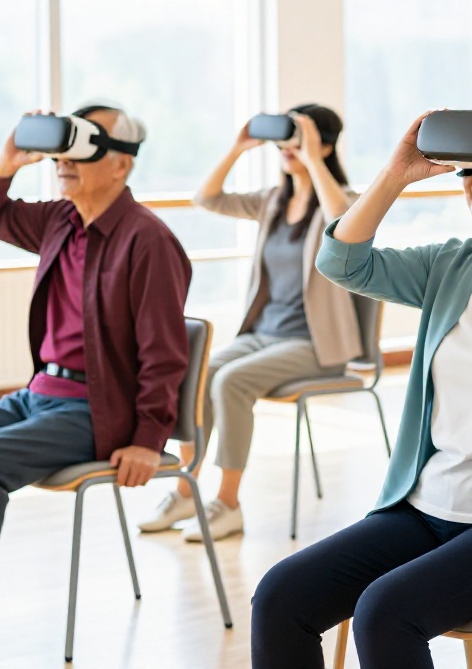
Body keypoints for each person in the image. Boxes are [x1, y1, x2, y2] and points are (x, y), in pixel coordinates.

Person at [251, 108, 472, 669]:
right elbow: (341, 260)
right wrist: (396, 172)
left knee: (383, 612)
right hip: (422, 508)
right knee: (280, 596)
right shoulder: (451, 266)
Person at [0, 106, 191, 659]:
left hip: (95, 410)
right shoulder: (59, 220)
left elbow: (164, 352)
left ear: (121, 166)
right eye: (63, 149)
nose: (65, 160)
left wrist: (149, 439)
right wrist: (9, 160)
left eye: (84, 149)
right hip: (37, 396)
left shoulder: (149, 241)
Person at [139, 105, 358, 542]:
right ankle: (186, 490)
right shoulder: (273, 201)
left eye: (298, 138)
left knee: (231, 382)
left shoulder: (345, 199)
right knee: (199, 373)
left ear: (324, 145)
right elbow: (206, 197)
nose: (287, 147)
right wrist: (239, 147)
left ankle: (228, 503)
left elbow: (343, 223)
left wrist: (312, 157)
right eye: (285, 138)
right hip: (264, 335)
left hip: (316, 346)